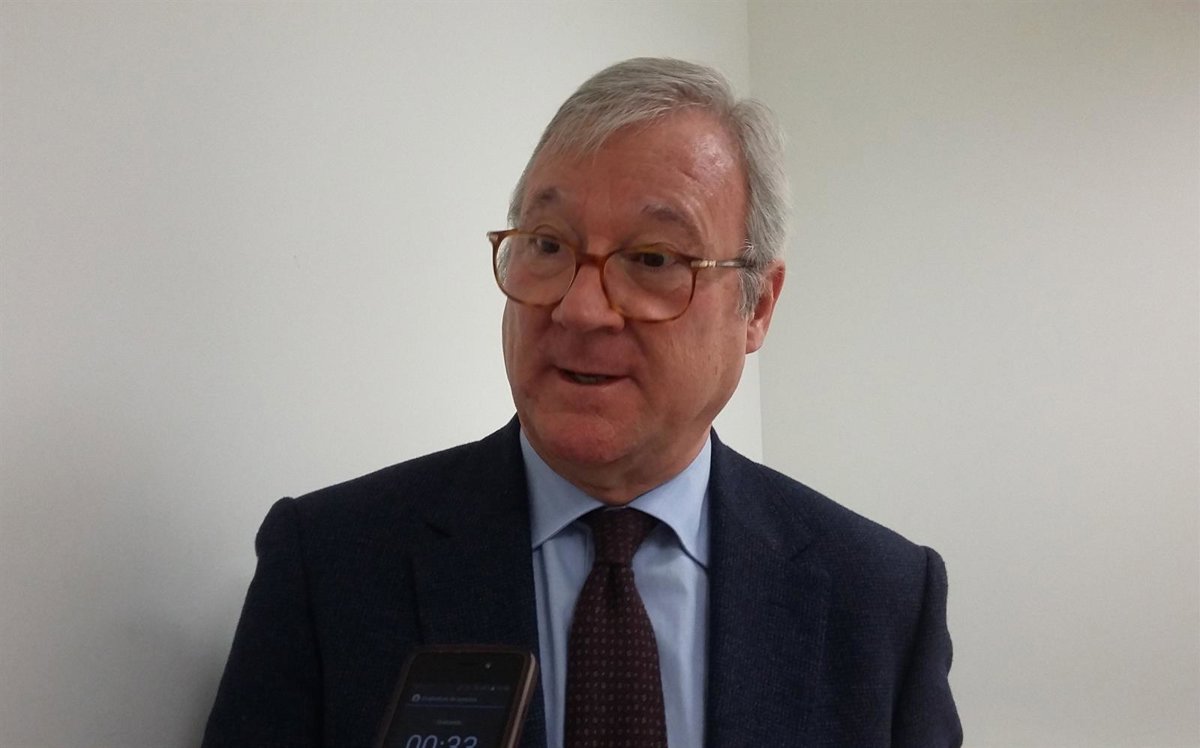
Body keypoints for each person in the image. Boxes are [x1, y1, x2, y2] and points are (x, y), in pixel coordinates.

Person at [202, 57, 962, 747]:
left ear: (757, 306)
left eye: (653, 258)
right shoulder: (330, 565)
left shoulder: (882, 599)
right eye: (548, 245)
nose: (580, 309)